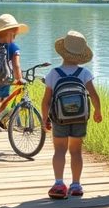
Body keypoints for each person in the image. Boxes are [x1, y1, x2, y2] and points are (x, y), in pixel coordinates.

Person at [40, 30, 102, 199]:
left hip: (59, 118)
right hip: (80, 118)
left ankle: (59, 183)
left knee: (59, 150)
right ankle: (76, 185)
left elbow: (46, 101)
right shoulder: (84, 73)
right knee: (76, 151)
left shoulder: (53, 74)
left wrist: (45, 118)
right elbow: (94, 95)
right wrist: (97, 111)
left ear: (62, 51)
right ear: (81, 54)